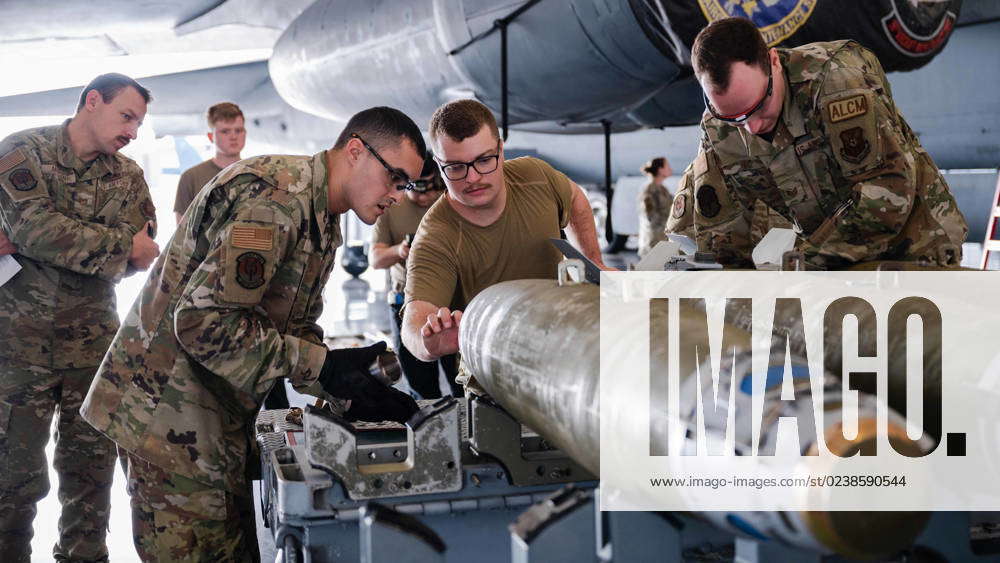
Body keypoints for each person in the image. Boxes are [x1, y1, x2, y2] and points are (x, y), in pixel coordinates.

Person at [81, 107, 424, 561]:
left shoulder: (321, 215)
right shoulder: (278, 201)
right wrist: (322, 367)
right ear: (357, 151)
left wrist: (343, 382)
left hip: (213, 418)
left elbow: (291, 327)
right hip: (167, 418)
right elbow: (203, 322)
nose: (399, 196)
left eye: (408, 185)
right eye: (396, 178)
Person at [0, 72, 160, 563]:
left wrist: (41, 240)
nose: (133, 131)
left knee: (89, 480)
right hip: (18, 349)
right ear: (93, 101)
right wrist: (109, 244)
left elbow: (145, 251)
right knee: (13, 481)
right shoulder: (22, 152)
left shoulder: (128, 176)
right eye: (126, 116)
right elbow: (35, 228)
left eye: (138, 122)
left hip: (93, 351)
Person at [667, 17, 967, 269]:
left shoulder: (834, 81)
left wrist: (804, 263)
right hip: (829, 260)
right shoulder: (718, 127)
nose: (751, 126)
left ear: (773, 62)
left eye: (758, 106)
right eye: (734, 117)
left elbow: (888, 190)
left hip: (914, 246)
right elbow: (723, 230)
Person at [401, 99, 609, 392]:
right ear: (438, 164)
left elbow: (575, 198)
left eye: (484, 160)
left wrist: (593, 261)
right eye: (456, 167)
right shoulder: (437, 236)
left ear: (500, 149)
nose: (473, 178)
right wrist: (429, 343)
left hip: (564, 355)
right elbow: (414, 322)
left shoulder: (535, 177)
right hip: (495, 379)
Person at [371, 151, 461, 399]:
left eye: (432, 188)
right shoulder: (391, 206)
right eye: (419, 189)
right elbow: (375, 258)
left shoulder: (449, 202)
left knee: (462, 382)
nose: (426, 196)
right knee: (422, 387)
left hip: (452, 305)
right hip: (406, 305)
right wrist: (399, 250)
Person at [173, 102, 247, 224]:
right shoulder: (191, 177)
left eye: (238, 130)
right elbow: (182, 233)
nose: (234, 136)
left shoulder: (256, 175)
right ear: (210, 136)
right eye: (225, 131)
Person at [637, 156, 673, 256]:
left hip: (662, 241)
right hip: (653, 244)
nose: (670, 169)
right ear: (660, 170)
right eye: (667, 166)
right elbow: (650, 217)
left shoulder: (663, 189)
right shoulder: (649, 190)